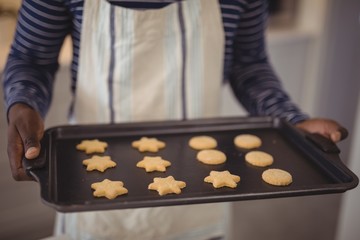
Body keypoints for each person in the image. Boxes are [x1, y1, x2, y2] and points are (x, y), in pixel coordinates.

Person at [2, 0, 347, 239]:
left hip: (200, 186)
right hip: (93, 189)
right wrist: (22, 104)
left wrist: (289, 117)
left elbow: (248, 64)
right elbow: (31, 57)